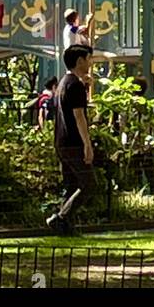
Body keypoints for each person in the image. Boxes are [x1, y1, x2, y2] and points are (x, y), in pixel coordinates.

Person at [47, 45, 95, 234]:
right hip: (74, 142)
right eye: (88, 59)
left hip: (61, 141)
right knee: (90, 184)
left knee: (72, 185)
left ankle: (64, 227)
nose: (90, 63)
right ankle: (61, 217)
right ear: (80, 61)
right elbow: (79, 116)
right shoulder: (75, 85)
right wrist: (87, 144)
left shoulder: (63, 83)